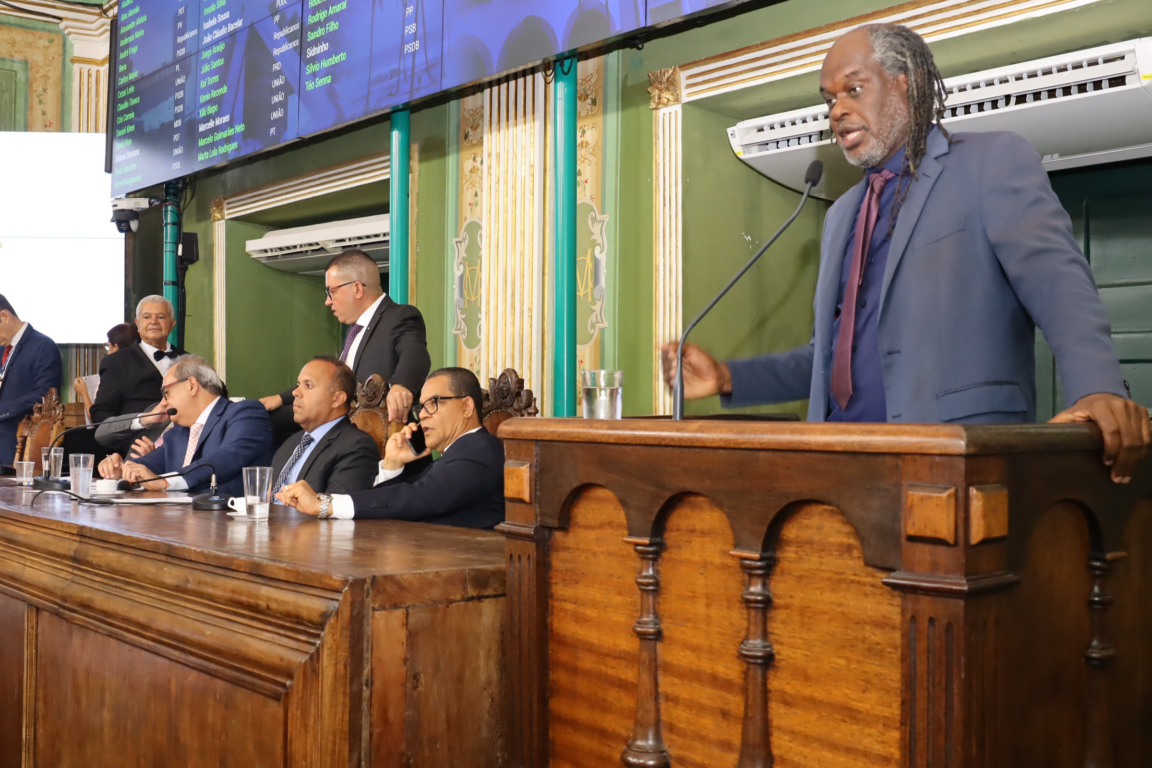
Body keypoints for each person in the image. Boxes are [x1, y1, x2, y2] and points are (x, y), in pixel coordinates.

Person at [662, 23, 1150, 483]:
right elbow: (827, 358)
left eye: (854, 90)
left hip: (955, 465)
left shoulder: (991, 162)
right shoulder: (840, 215)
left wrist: (1097, 387)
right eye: (829, 99)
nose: (836, 110)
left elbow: (1059, 285)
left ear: (906, 84)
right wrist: (728, 377)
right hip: (837, 468)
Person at [278, 367, 504, 529]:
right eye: (421, 406)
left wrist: (324, 504)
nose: (423, 414)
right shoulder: (449, 458)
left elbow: (418, 498)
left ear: (466, 407)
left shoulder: (480, 451)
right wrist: (392, 464)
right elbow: (382, 509)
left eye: (434, 403)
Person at [259, 249, 431, 424]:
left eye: (331, 291)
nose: (327, 301)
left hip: (384, 435)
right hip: (348, 430)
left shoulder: (399, 316)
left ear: (357, 289)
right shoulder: (355, 331)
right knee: (261, 417)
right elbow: (332, 380)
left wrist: (402, 385)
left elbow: (415, 356)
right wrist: (281, 399)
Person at [97, 355, 273, 496]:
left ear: (191, 385)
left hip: (225, 524)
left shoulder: (245, 413)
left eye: (166, 393)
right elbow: (148, 466)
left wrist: (166, 482)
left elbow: (226, 458)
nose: (164, 403)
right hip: (177, 524)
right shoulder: (177, 433)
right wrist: (122, 470)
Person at [269, 356, 379, 495]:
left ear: (337, 399)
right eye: (298, 385)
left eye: (308, 386)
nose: (295, 392)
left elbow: (336, 510)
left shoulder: (356, 446)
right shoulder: (291, 444)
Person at [90, 296, 183, 424]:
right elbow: (100, 413)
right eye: (147, 317)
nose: (154, 321)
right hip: (137, 440)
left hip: (185, 441)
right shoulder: (116, 363)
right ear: (138, 323)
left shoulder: (190, 361)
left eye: (161, 317)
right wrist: (138, 424)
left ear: (172, 324)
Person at [0, 295, 62, 464]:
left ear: (4, 316)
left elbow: (45, 396)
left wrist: (3, 409)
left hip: (17, 449)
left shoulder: (43, 346)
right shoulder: (2, 349)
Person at [74, 322, 140, 422]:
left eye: (108, 346)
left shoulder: (112, 374)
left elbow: (96, 418)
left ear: (116, 347)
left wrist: (84, 393)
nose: (108, 352)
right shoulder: (143, 368)